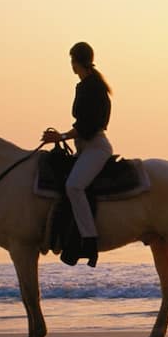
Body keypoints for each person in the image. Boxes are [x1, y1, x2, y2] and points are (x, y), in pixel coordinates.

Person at [41, 42, 113, 266]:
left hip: (95, 147)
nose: (71, 65)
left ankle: (89, 240)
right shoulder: (86, 85)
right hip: (85, 147)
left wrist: (60, 137)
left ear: (76, 62)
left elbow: (87, 126)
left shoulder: (93, 87)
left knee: (74, 186)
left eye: (72, 60)